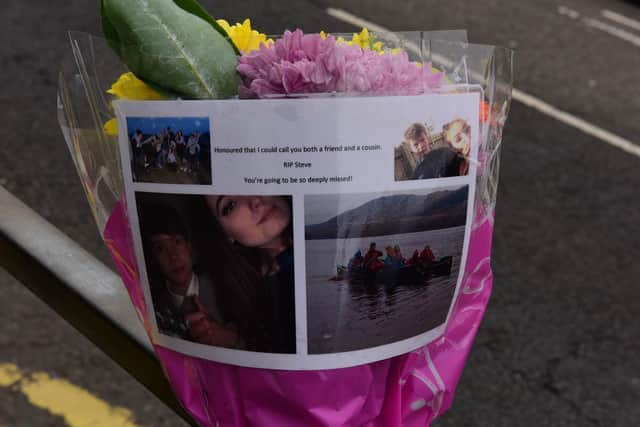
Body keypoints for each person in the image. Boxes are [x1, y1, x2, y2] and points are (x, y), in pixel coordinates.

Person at [202, 195, 296, 353]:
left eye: (252, 179)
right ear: (225, 235)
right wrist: (234, 340)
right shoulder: (254, 296)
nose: (255, 201)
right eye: (230, 206)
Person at [140, 203, 239, 348]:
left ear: (189, 246)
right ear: (152, 259)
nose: (173, 256)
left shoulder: (226, 285)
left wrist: (230, 338)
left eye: (177, 242)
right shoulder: (153, 309)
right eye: (160, 248)